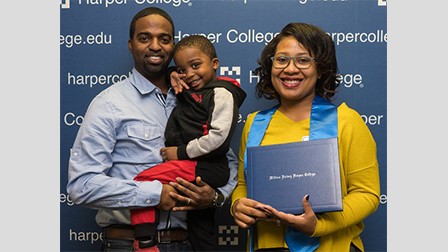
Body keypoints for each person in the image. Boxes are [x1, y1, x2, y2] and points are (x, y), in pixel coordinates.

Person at [67, 7, 239, 252]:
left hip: (187, 243)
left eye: (165, 39)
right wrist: (154, 193)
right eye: (145, 38)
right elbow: (81, 186)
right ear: (130, 44)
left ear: (173, 46)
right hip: (128, 244)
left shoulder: (196, 99)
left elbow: (226, 160)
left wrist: (214, 197)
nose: (155, 46)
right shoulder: (109, 103)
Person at [231, 23, 380, 252]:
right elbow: (243, 184)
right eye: (281, 60)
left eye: (303, 60)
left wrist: (318, 225)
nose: (290, 69)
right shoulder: (254, 124)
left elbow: (367, 194)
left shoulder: (346, 121)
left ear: (320, 70)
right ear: (271, 66)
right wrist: (237, 205)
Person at [131, 35, 246, 251]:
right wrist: (173, 73)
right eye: (182, 69)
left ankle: (145, 241)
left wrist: (180, 153)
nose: (189, 74)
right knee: (200, 231)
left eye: (195, 65)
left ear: (215, 64)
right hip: (200, 168)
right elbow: (172, 74)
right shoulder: (193, 91)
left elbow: (218, 139)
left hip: (205, 166)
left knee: (143, 180)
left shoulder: (221, 93)